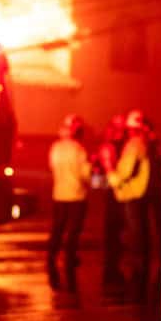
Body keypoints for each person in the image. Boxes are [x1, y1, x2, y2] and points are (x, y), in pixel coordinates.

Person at [107, 109, 154, 300]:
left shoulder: (133, 145)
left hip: (130, 194)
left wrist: (110, 172)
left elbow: (124, 172)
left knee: (135, 232)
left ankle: (138, 266)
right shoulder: (145, 143)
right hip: (138, 194)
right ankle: (141, 262)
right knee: (140, 230)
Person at [45, 115, 91, 291]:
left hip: (59, 194)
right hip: (76, 195)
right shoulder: (79, 149)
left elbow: (52, 167)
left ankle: (51, 256)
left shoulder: (55, 148)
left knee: (57, 228)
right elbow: (85, 174)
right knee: (73, 230)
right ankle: (69, 258)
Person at [97, 113, 127, 286]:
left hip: (121, 192)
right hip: (113, 194)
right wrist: (106, 184)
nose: (120, 131)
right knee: (113, 230)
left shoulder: (123, 146)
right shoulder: (108, 147)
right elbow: (98, 177)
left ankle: (114, 260)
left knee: (118, 230)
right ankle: (112, 262)